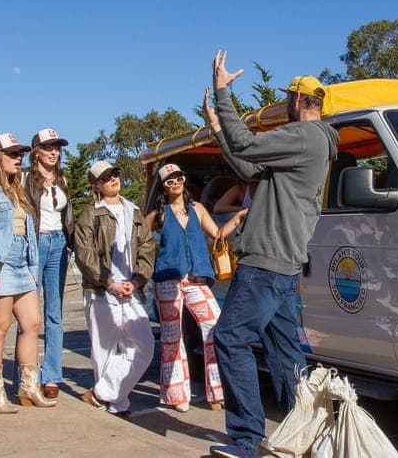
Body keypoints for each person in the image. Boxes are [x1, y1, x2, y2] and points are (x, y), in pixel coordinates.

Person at [203, 52, 339, 458]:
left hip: (265, 261)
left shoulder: (303, 136)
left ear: (297, 101)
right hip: (283, 264)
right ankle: (310, 432)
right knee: (285, 352)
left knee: (230, 338)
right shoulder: (312, 147)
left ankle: (246, 439)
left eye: (286, 100)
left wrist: (224, 93)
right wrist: (218, 130)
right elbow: (249, 168)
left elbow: (246, 142)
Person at [144, 163, 237, 413]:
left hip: (197, 278)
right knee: (172, 337)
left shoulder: (197, 209)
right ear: (163, 187)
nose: (175, 183)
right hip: (168, 280)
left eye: (178, 178)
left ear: (184, 179)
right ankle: (176, 394)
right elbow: (137, 239)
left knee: (214, 329)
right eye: (168, 181)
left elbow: (217, 234)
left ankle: (217, 392)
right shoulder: (158, 214)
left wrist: (237, 218)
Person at [0, 133, 56, 413]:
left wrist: (33, 266)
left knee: (33, 323)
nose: (17, 158)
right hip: (1, 262)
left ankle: (28, 386)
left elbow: (28, 231)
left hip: (23, 261)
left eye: (19, 154)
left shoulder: (17, 188)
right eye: (11, 154)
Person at [73, 160, 155, 417]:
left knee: (144, 344)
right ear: (96, 185)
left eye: (115, 174)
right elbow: (84, 254)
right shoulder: (90, 214)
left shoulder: (134, 210)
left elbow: (147, 247)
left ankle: (101, 393)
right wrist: (109, 283)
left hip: (132, 288)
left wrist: (138, 280)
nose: (113, 179)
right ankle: (119, 403)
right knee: (105, 350)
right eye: (106, 177)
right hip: (101, 289)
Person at [22, 128, 74, 399]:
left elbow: (68, 215)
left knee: (55, 313)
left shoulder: (62, 179)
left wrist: (71, 240)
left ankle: (51, 375)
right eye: (48, 147)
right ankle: (27, 375)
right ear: (36, 152)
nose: (54, 152)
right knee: (30, 315)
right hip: (35, 243)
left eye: (57, 148)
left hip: (58, 245)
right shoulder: (24, 178)